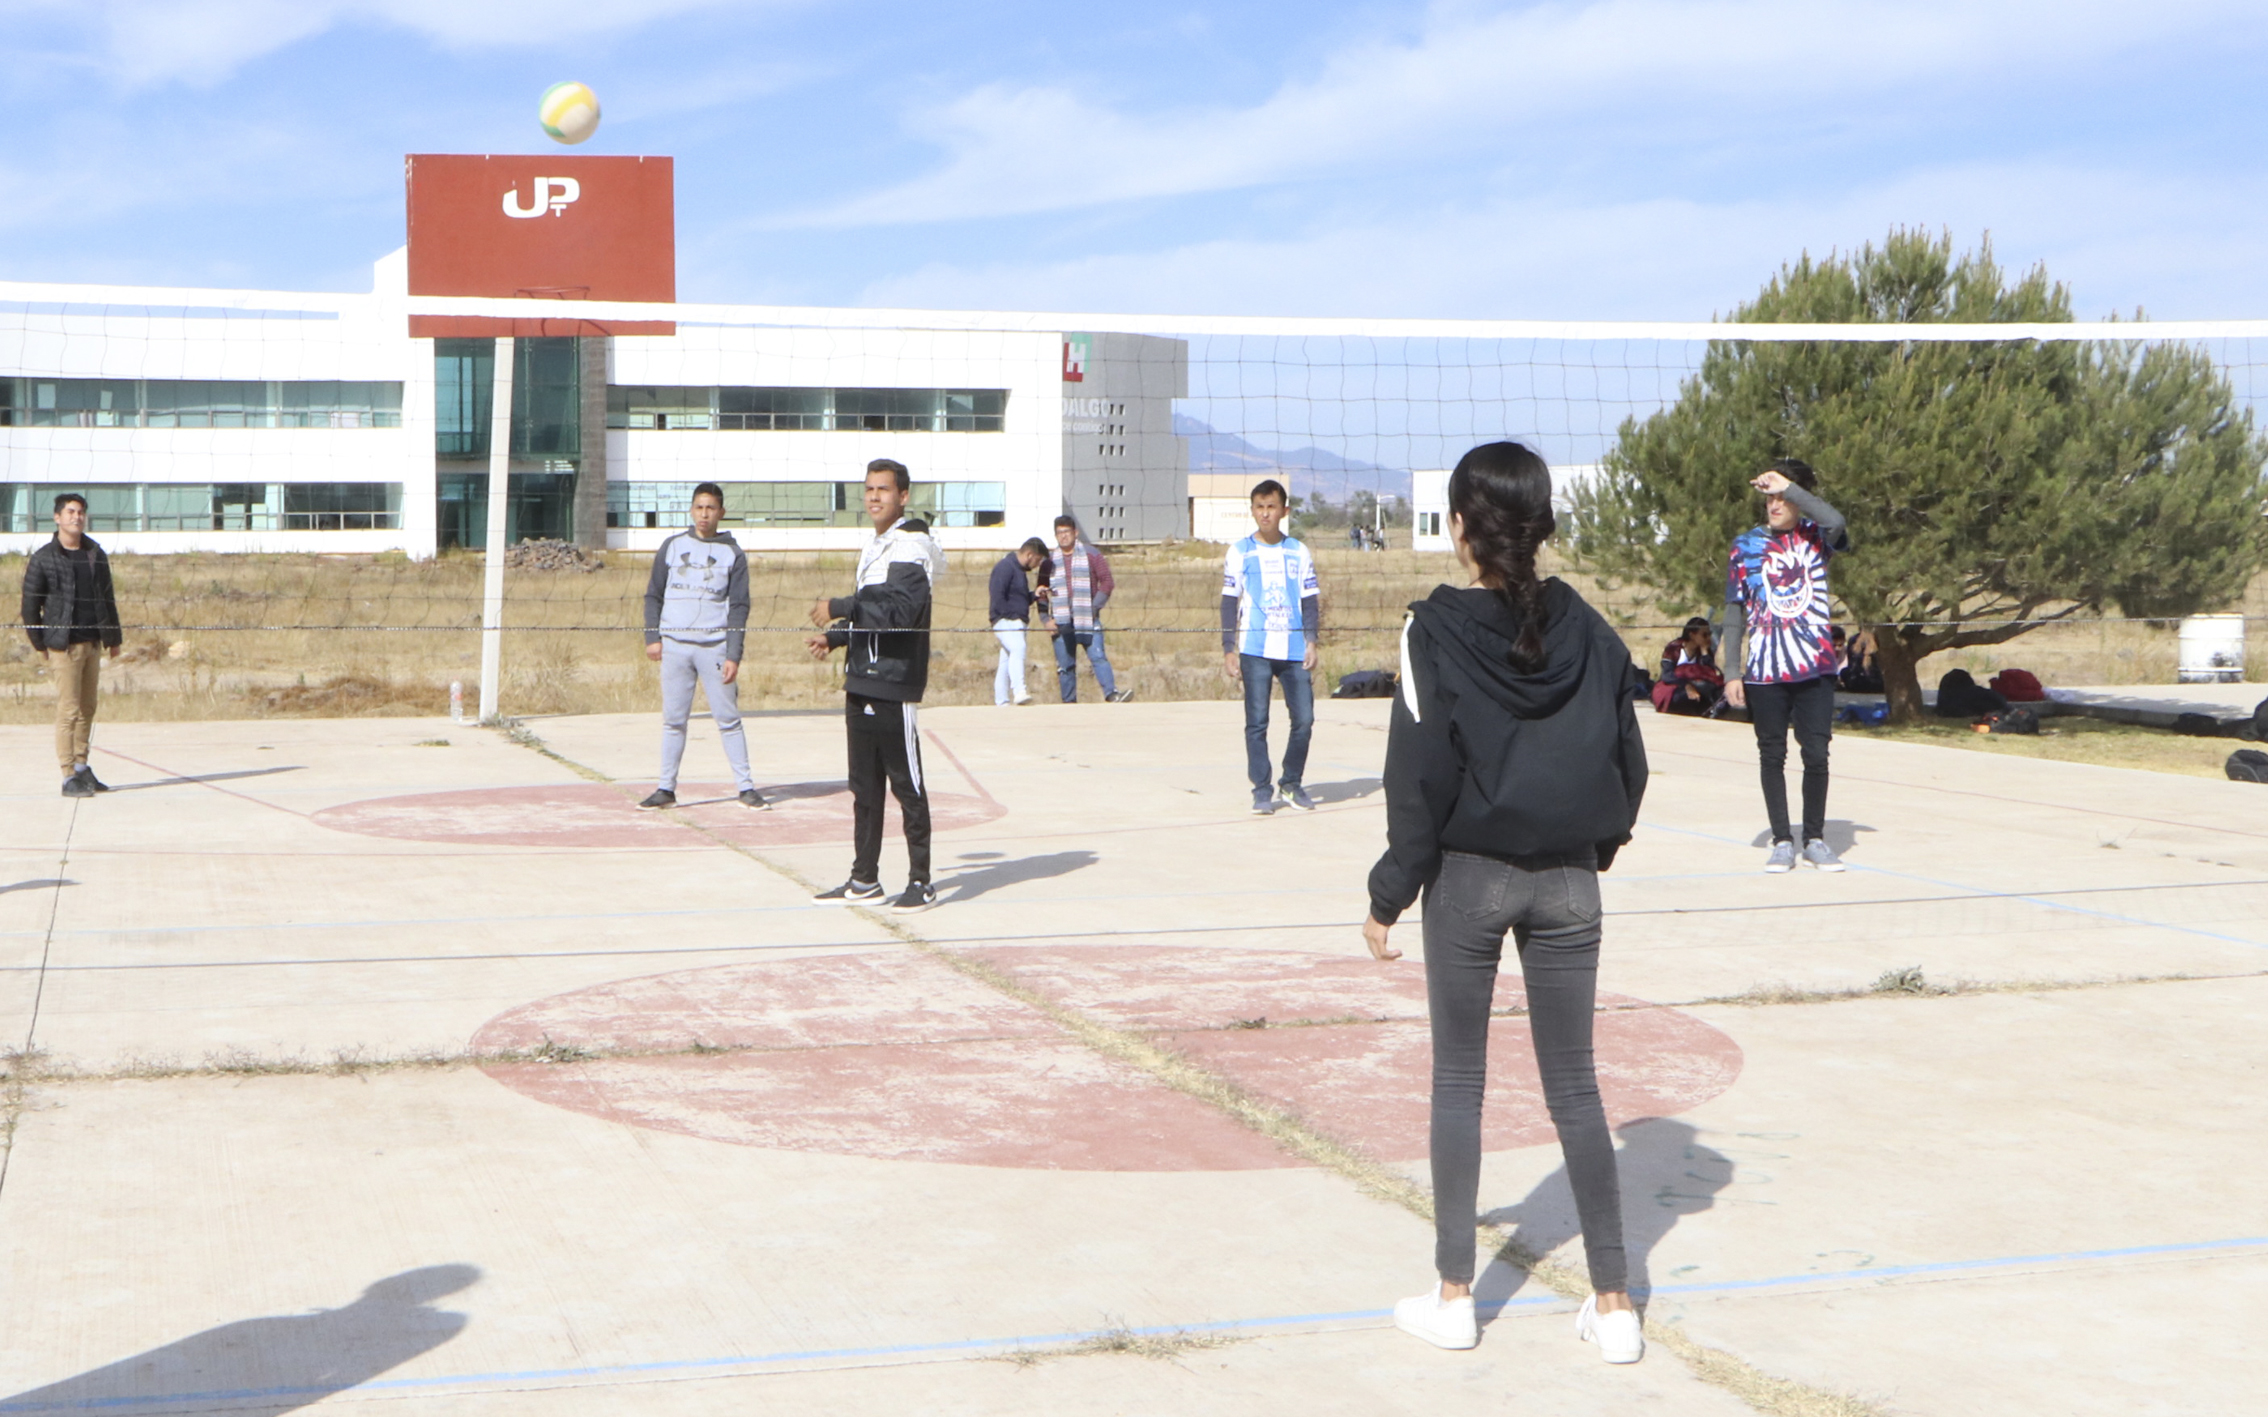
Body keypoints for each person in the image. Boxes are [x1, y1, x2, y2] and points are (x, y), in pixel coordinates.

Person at [1361, 441, 1649, 1365]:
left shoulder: (1431, 628)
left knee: (1459, 1083)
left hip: (1473, 878)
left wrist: (1389, 893)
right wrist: (1594, 846)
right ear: (1542, 525)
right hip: (1571, 880)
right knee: (1577, 1087)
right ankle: (1614, 1306)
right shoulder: (1591, 627)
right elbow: (1629, 759)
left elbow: (1419, 776)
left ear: (1459, 527)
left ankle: (1455, 1297)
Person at [806, 459, 944, 913]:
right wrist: (837, 636)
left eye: (883, 489)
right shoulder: (876, 544)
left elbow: (899, 614)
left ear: (903, 495)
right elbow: (873, 615)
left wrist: (840, 607)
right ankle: (864, 878)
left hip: (894, 682)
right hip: (862, 679)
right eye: (868, 489)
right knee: (864, 789)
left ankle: (921, 881)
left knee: (907, 786)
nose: (873, 497)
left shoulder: (912, 544)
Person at [1720, 459, 1852, 873]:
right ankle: (1782, 840)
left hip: (1815, 667)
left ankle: (1814, 838)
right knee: (1771, 753)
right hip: (1764, 669)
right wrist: (1732, 672)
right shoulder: (1745, 546)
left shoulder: (1818, 538)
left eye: (1783, 497)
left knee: (1816, 753)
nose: (1775, 504)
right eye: (1770, 497)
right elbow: (1734, 610)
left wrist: (1790, 487)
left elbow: (1836, 518)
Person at [638, 483, 762, 811]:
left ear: (721, 512)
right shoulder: (672, 546)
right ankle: (665, 788)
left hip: (714, 648)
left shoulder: (732, 554)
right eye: (698, 507)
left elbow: (739, 607)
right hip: (675, 647)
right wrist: (653, 637)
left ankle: (746, 787)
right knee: (674, 720)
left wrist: (733, 654)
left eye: (710, 508)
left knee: (728, 718)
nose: (704, 514)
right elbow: (653, 594)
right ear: (691, 510)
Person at [1221, 479, 1322, 814]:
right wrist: (1228, 647)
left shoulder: (1298, 550)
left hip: (1294, 650)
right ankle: (1262, 789)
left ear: (1284, 511)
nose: (1265, 514)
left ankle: (1291, 783)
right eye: (1260, 507)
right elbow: (1228, 601)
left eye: (1272, 507)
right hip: (1255, 649)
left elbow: (1310, 600)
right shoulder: (1240, 552)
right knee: (1257, 722)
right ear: (1252, 511)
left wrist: (1311, 640)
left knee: (1304, 720)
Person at [21, 492, 122, 798]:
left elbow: (107, 598)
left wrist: (113, 638)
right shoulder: (44, 557)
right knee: (69, 709)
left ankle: (81, 766)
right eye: (70, 512)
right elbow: (30, 607)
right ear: (57, 517)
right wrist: (41, 644)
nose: (76, 517)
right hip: (63, 646)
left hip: (92, 643)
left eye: (80, 512)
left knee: (88, 707)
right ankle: (67, 775)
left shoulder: (95, 552)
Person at [1044, 515, 1132, 703]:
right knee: (1065, 666)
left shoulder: (1091, 554)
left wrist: (1093, 607)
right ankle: (1068, 704)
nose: (1063, 536)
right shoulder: (1049, 560)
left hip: (1088, 618)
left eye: (1067, 532)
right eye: (1059, 533)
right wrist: (1045, 618)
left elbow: (1107, 582)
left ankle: (1112, 694)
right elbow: (1040, 591)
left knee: (1098, 657)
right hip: (1061, 621)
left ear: (1075, 533)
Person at [989, 537, 1047, 706]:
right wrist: (1009, 617)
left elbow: (1018, 599)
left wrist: (1034, 595)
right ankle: (1019, 691)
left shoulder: (1018, 570)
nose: (1037, 565)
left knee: (1006, 661)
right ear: (1030, 555)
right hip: (1005, 620)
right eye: (1037, 560)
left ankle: (1001, 701)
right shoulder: (1005, 567)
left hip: (1016, 620)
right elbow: (997, 596)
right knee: (1018, 648)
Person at [1650, 615, 1724, 717]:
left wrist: (1705, 653)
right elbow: (1667, 675)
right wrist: (1686, 685)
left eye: (1709, 634)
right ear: (1692, 635)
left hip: (1698, 686)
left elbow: (1710, 673)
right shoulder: (1674, 649)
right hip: (1674, 686)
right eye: (1704, 635)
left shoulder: (1703, 651)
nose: (1708, 638)